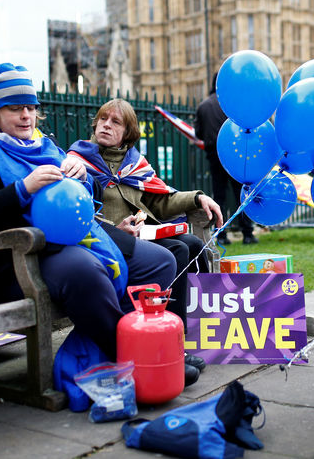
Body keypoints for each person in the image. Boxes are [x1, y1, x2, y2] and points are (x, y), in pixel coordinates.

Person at [0, 63, 201, 391]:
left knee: (162, 261)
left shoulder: (46, 148)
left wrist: (84, 177)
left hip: (74, 242)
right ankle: (134, 359)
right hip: (17, 260)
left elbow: (85, 199)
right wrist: (22, 189)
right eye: (15, 108)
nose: (26, 116)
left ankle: (108, 344)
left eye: (31, 108)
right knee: (87, 271)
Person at [68, 98, 222, 374]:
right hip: (106, 240)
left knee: (193, 244)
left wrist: (199, 198)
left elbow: (160, 202)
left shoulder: (134, 164)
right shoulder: (78, 160)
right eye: (103, 119)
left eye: (115, 122)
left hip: (141, 236)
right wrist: (117, 228)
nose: (106, 125)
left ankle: (180, 336)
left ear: (127, 133)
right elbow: (78, 212)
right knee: (178, 250)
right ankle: (165, 341)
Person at [195, 71, 258, 245]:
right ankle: (247, 233)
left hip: (214, 156)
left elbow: (198, 133)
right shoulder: (231, 104)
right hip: (234, 155)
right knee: (241, 194)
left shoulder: (203, 106)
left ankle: (221, 234)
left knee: (219, 195)